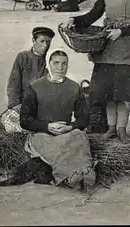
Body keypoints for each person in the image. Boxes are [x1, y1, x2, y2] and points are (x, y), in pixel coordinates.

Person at [60, 0, 130, 144]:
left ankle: (122, 130)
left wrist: (122, 32)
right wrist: (74, 19)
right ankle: (111, 128)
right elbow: (91, 16)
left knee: (125, 94)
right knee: (109, 93)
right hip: (108, 52)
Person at [17, 49, 94, 190]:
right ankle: (68, 177)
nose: (60, 67)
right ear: (49, 64)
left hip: (65, 133)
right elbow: (25, 120)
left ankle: (86, 173)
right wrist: (47, 126)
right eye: (56, 63)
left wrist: (69, 127)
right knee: (59, 148)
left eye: (64, 64)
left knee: (80, 136)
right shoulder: (35, 87)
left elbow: (84, 118)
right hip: (42, 134)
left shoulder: (74, 87)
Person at [1, 27, 55, 132]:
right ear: (33, 41)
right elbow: (13, 83)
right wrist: (15, 104)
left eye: (48, 42)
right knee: (10, 121)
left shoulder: (51, 59)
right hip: (21, 105)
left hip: (41, 107)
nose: (45, 45)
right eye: (42, 41)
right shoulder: (22, 57)